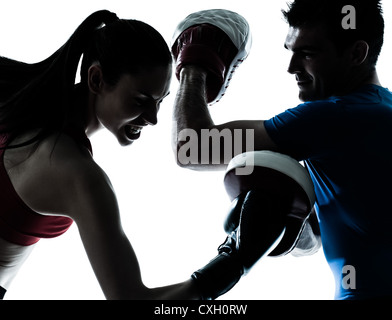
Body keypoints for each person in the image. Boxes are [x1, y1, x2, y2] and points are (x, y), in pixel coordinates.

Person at [0, 10, 287, 300]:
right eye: (141, 101)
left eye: (160, 102)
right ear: (96, 79)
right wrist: (234, 261)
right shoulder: (77, 174)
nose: (153, 119)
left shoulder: (19, 103)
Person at [171, 1, 392, 299]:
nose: (292, 67)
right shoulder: (385, 111)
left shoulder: (343, 116)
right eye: (291, 51)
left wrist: (194, 66)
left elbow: (192, 147)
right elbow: (318, 239)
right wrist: (285, 222)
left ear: (356, 53)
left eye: (307, 54)